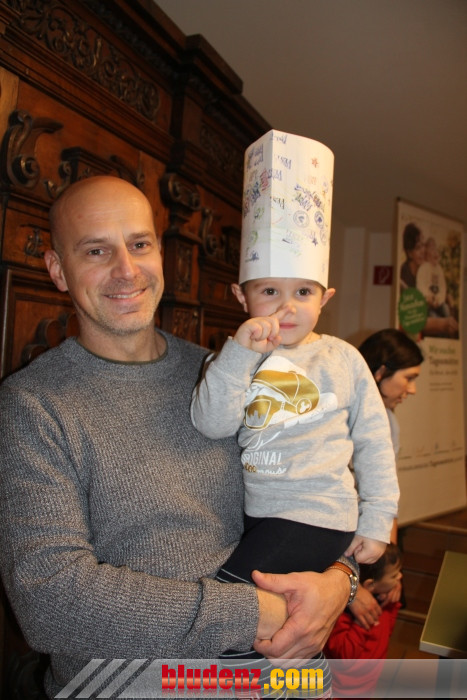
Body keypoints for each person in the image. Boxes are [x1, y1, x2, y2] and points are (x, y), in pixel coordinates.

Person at [0, 175, 357, 699]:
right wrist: (255, 612)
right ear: (57, 269)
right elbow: (50, 600)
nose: (127, 270)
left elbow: (320, 485)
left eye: (140, 244)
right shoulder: (31, 404)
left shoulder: (228, 373)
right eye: (97, 250)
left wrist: (339, 580)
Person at [348, 328, 423, 630]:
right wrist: (353, 586)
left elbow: (385, 495)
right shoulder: (358, 415)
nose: (412, 390)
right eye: (409, 378)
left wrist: (389, 567)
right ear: (380, 372)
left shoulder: (386, 419)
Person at [324, 544, 403, 698]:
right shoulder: (340, 616)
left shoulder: (384, 603)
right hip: (340, 691)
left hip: (367, 685)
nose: (400, 577)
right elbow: (344, 657)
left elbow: (387, 631)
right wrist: (361, 625)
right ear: (370, 585)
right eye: (394, 576)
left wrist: (392, 604)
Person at [399, 222, 458, 338]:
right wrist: (441, 324)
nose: (423, 251)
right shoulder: (404, 276)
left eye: (423, 246)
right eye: (418, 248)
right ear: (409, 253)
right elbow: (410, 320)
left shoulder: (428, 269)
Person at [416, 236, 450, 318]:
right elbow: (421, 287)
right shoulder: (423, 268)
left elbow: (443, 287)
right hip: (427, 304)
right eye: (432, 249)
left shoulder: (439, 269)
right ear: (427, 253)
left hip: (438, 303)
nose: (435, 252)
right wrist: (429, 297)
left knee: (445, 308)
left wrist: (439, 299)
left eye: (435, 249)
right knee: (433, 316)